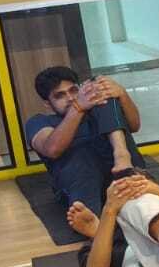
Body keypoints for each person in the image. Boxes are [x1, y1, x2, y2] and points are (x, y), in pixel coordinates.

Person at [26, 66, 145, 217]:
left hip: (121, 172)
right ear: (48, 104)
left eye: (73, 90)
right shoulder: (39, 122)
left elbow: (134, 126)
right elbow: (52, 149)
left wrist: (122, 94)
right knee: (81, 156)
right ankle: (94, 224)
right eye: (60, 96)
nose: (70, 98)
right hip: (81, 185)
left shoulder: (99, 109)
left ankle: (121, 154)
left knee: (103, 94)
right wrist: (78, 108)